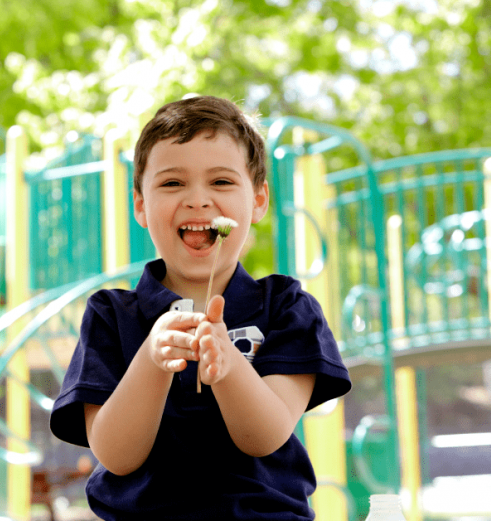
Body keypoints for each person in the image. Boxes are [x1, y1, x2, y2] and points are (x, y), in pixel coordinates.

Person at [50, 96, 352, 520]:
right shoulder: (110, 315)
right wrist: (152, 360)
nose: (197, 200)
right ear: (140, 204)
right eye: (173, 183)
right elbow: (116, 456)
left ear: (258, 200)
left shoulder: (287, 307)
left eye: (221, 182)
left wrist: (229, 366)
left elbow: (265, 436)